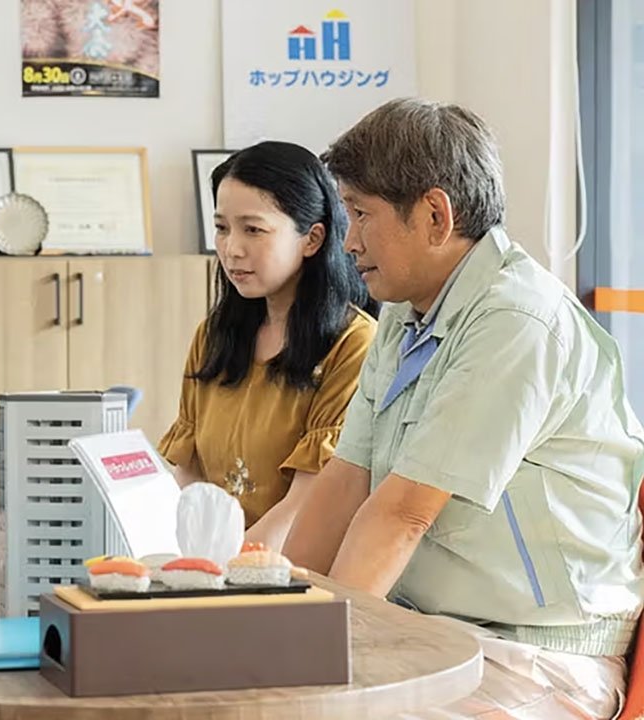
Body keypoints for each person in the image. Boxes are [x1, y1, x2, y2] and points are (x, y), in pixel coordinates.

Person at [282, 98, 644, 719]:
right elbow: (346, 480)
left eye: (361, 214)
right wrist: (275, 616)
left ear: (434, 215)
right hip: (441, 633)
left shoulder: (516, 318)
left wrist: (313, 655)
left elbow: (404, 514)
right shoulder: (405, 312)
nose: (349, 241)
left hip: (540, 656)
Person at [159, 141, 378, 550]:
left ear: (312, 239)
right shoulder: (212, 336)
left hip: (293, 569)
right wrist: (197, 563)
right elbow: (190, 477)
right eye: (222, 228)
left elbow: (308, 501)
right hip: (214, 570)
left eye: (253, 229)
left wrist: (232, 568)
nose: (231, 249)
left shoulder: (354, 343)